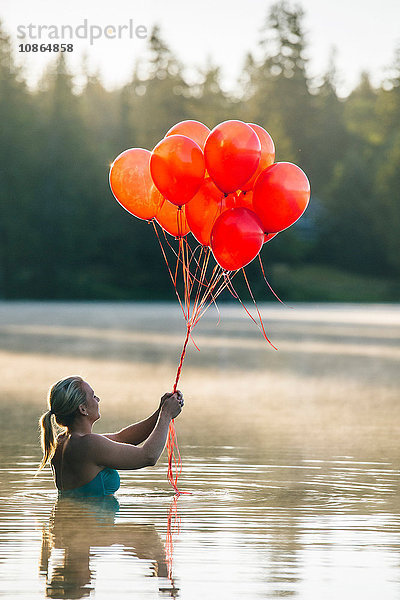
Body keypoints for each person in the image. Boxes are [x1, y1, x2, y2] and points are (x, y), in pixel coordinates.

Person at [37, 376, 184, 497]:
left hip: (81, 528)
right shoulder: (89, 444)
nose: (98, 399)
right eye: (93, 396)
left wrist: (160, 411)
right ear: (82, 409)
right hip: (96, 531)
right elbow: (148, 456)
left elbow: (123, 438)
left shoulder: (62, 442)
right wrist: (166, 415)